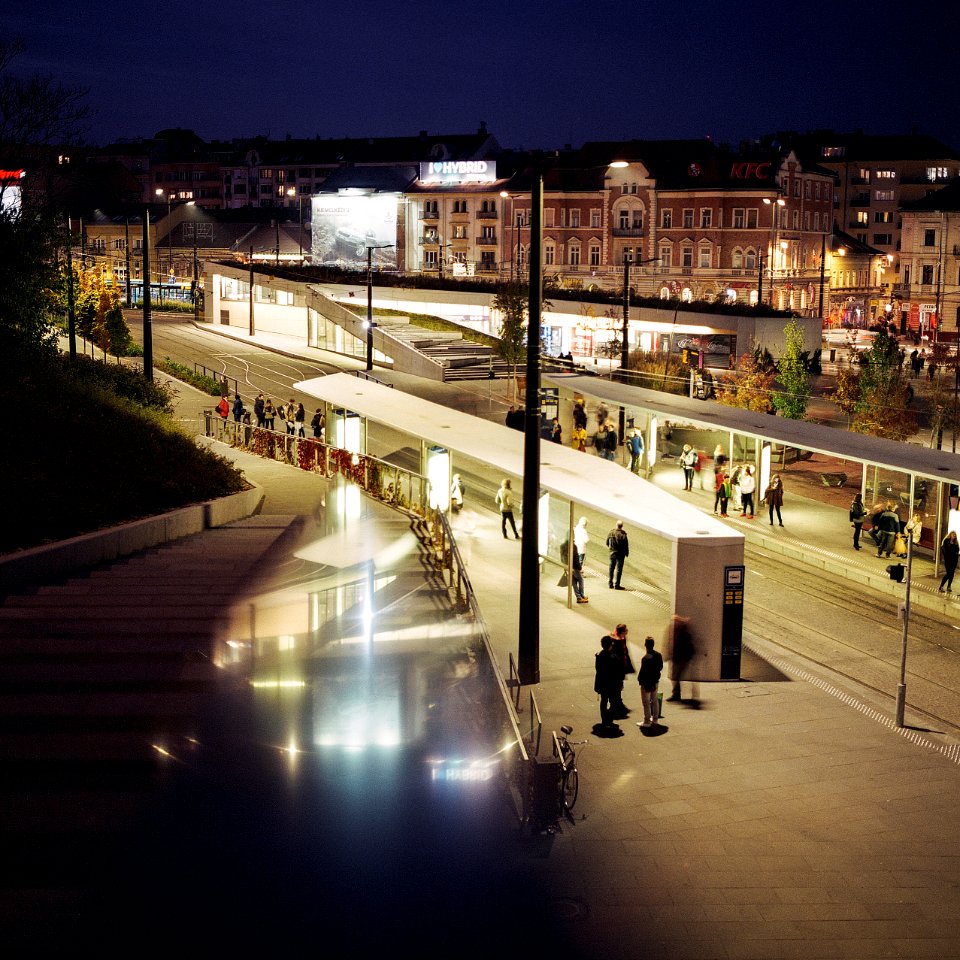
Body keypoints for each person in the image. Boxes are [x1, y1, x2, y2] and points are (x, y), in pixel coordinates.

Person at [594, 636, 624, 730]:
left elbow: (598, 670)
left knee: (604, 701)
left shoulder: (599, 656)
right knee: (613, 702)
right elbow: (618, 672)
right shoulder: (614, 657)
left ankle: (604, 720)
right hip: (612, 685)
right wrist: (620, 683)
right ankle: (609, 719)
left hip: (603, 684)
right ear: (610, 645)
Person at [667, 614, 697, 703]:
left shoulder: (682, 632)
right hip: (680, 658)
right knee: (677, 676)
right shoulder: (681, 631)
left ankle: (676, 694)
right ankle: (679, 694)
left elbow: (682, 645)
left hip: (681, 658)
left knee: (676, 676)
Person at [605, 623, 634, 718]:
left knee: (618, 687)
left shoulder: (621, 639)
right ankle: (616, 705)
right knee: (617, 687)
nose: (627, 632)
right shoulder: (617, 642)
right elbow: (620, 657)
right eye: (626, 630)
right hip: (617, 670)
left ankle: (618, 703)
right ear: (622, 632)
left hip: (620, 669)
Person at [637, 636, 664, 727]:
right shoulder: (658, 655)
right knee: (655, 700)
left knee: (646, 702)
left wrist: (640, 680)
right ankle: (655, 719)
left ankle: (647, 721)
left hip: (646, 683)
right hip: (655, 681)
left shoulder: (645, 658)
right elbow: (660, 667)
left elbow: (642, 672)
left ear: (646, 645)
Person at [560, 537, 588, 603]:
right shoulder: (573, 546)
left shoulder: (563, 546)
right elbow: (576, 559)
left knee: (574, 582)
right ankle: (580, 596)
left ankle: (579, 596)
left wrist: (565, 566)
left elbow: (562, 557)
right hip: (574, 567)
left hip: (568, 566)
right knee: (580, 580)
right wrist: (580, 568)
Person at [606, 520, 629, 590]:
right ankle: (617, 585)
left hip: (612, 553)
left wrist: (611, 549)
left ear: (616, 525)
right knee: (619, 570)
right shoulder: (623, 535)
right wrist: (626, 553)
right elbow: (626, 546)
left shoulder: (611, 533)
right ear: (622, 526)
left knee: (611, 568)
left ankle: (610, 583)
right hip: (620, 555)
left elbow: (607, 543)